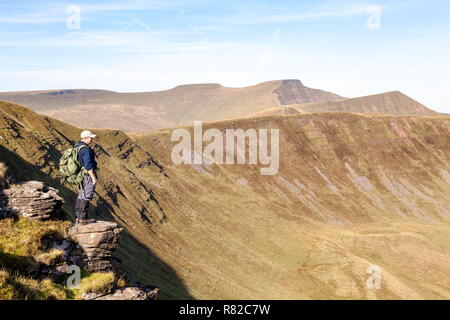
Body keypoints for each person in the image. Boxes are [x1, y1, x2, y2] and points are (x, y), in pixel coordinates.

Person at [74, 130, 98, 224]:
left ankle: (78, 217)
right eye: (90, 137)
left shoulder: (77, 146)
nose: (92, 139)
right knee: (87, 196)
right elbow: (88, 165)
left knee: (81, 195)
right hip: (86, 175)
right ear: (85, 138)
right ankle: (83, 219)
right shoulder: (86, 149)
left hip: (79, 175)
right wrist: (93, 177)